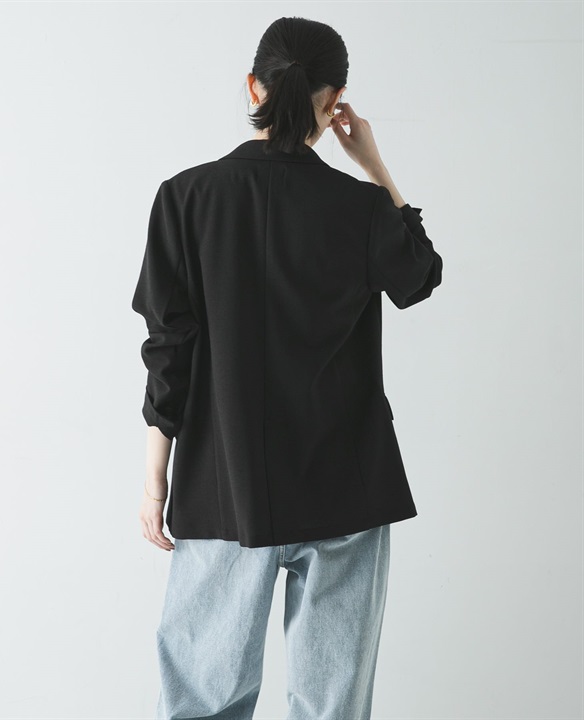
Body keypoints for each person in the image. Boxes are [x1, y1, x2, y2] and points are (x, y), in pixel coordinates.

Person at [131, 15, 443, 720]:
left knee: (201, 704)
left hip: (223, 489)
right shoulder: (361, 207)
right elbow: (419, 276)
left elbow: (168, 350)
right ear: (336, 103)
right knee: (333, 709)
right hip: (347, 490)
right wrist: (375, 168)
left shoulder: (186, 197)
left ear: (254, 87)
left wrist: (155, 481)